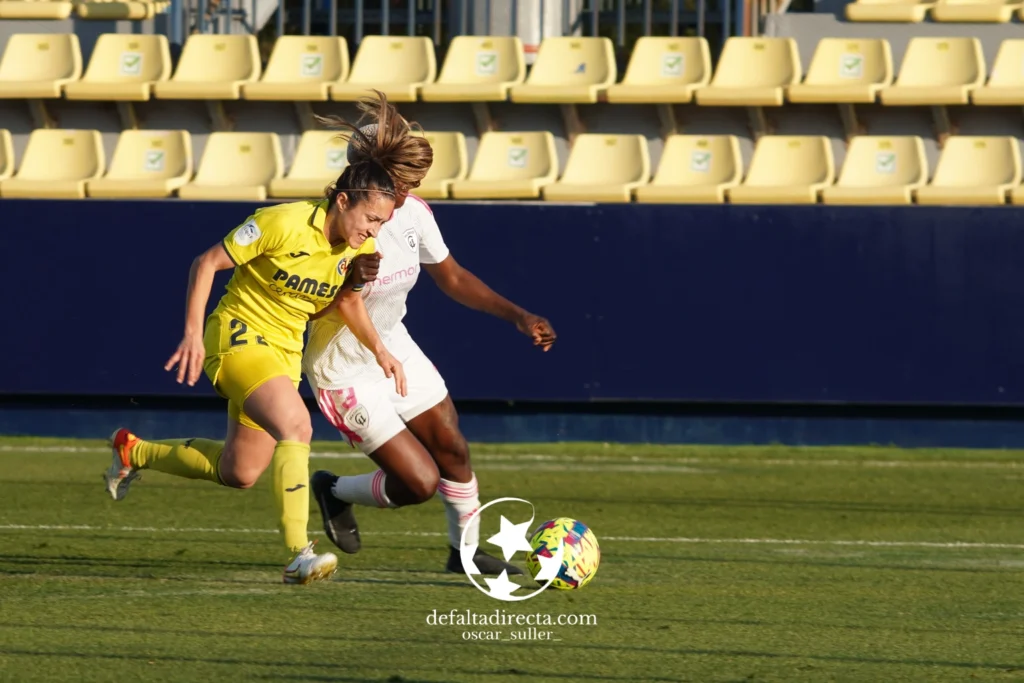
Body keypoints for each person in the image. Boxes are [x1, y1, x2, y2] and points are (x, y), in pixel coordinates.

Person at [101, 110, 427, 584]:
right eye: (371, 218)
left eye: (382, 222)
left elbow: (342, 305)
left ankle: (133, 452)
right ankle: (299, 553)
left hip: (280, 357)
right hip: (237, 339)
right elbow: (206, 262)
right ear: (343, 200)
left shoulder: (356, 251)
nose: (375, 230)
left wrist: (380, 350)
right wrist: (192, 332)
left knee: (240, 471)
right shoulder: (282, 222)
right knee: (297, 423)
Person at [303, 93, 557, 575]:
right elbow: (314, 301)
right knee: (416, 483)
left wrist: (519, 316)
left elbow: (454, 278)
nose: (407, 196)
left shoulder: (413, 213)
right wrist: (351, 278)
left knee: (452, 448)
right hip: (344, 368)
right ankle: (333, 489)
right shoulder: (333, 225)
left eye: (412, 186)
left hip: (394, 345)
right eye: (402, 185)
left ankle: (466, 554)